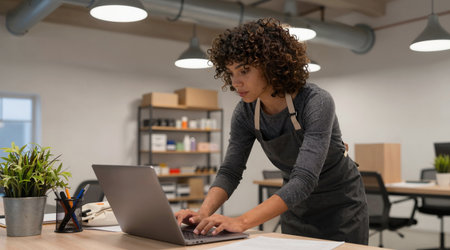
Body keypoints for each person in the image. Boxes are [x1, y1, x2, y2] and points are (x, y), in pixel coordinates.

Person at [175, 17, 368, 244]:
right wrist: (202, 213)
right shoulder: (246, 112)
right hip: (294, 205)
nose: (236, 82)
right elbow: (230, 171)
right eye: (231, 72)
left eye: (244, 70)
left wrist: (242, 221)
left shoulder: (316, 102)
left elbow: (304, 179)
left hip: (342, 208)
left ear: (271, 65)